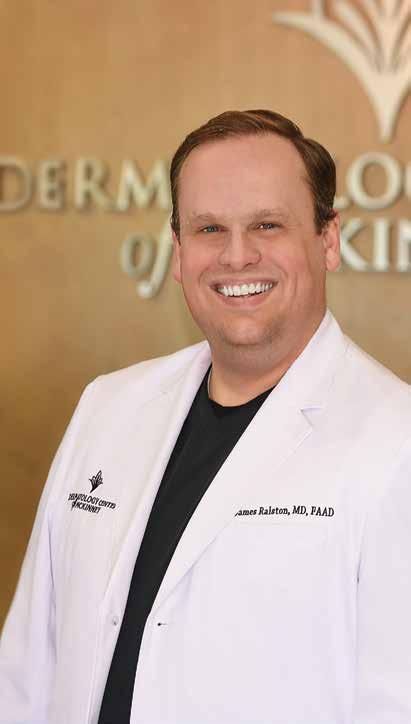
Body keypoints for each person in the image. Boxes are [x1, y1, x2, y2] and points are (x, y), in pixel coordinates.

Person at [1, 109, 410, 724]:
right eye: (209, 228)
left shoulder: (396, 439)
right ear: (178, 251)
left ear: (328, 240)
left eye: (267, 224)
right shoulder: (107, 408)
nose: (236, 256)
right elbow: (27, 673)